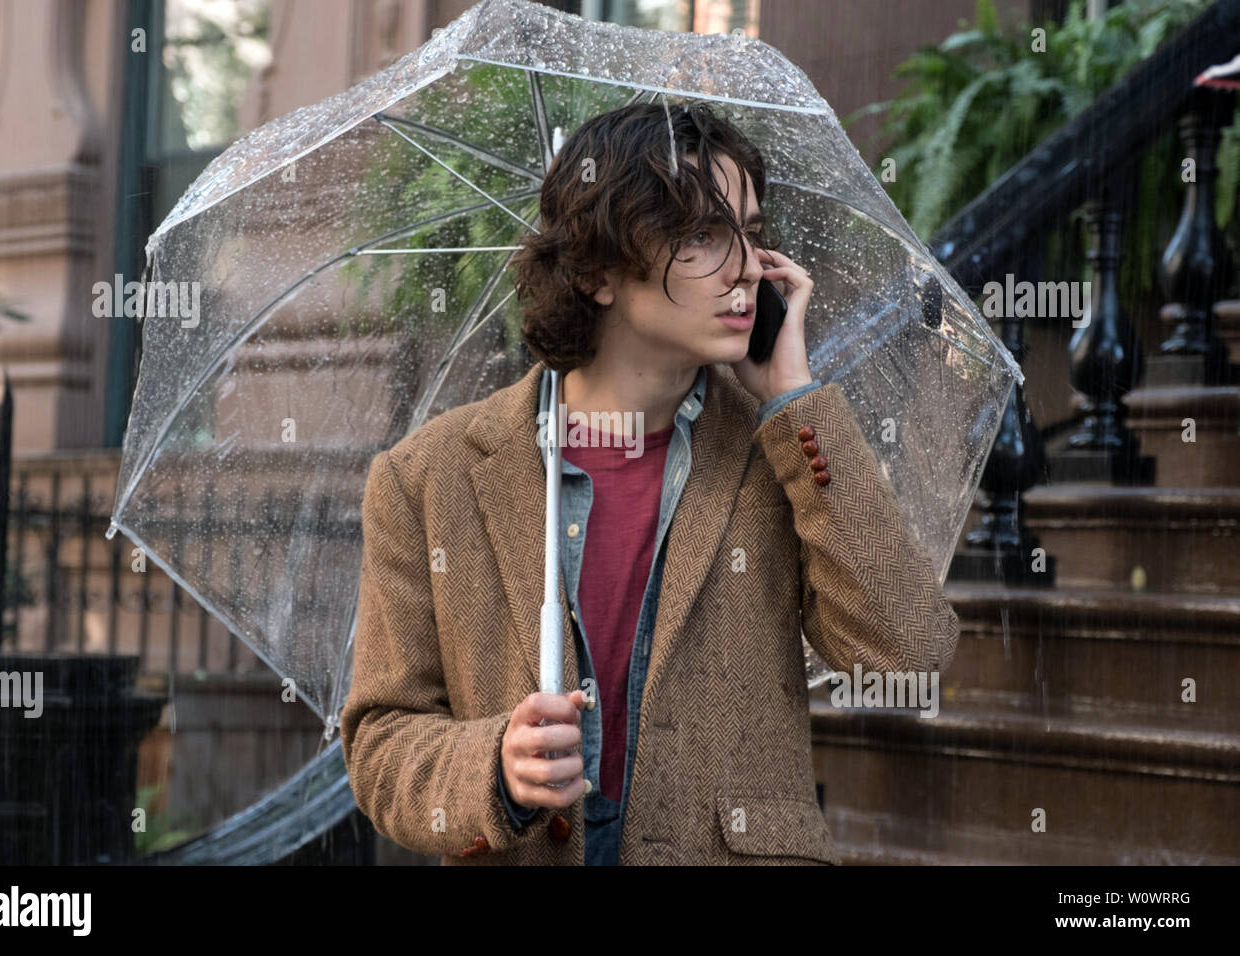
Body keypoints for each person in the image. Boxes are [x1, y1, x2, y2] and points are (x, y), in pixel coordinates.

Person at [339, 101, 959, 865]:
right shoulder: (424, 478)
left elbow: (907, 655)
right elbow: (381, 738)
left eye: (752, 234)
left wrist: (794, 399)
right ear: (598, 272)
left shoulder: (784, 450)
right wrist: (493, 766)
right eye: (701, 234)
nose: (743, 269)